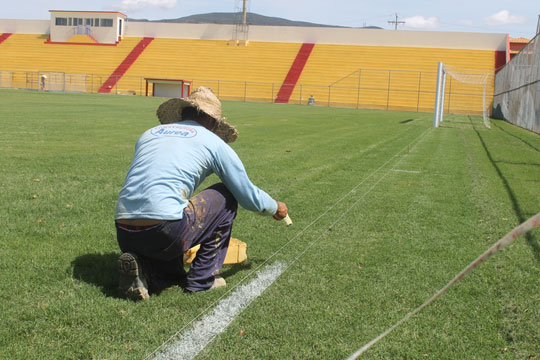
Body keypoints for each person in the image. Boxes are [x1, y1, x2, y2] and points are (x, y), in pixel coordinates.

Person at [114, 87, 288, 301]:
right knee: (227, 194)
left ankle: (146, 268)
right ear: (214, 123)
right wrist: (274, 207)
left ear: (182, 113)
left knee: (172, 214)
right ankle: (202, 280)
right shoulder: (212, 142)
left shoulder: (149, 134)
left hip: (124, 230)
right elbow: (247, 195)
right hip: (166, 229)